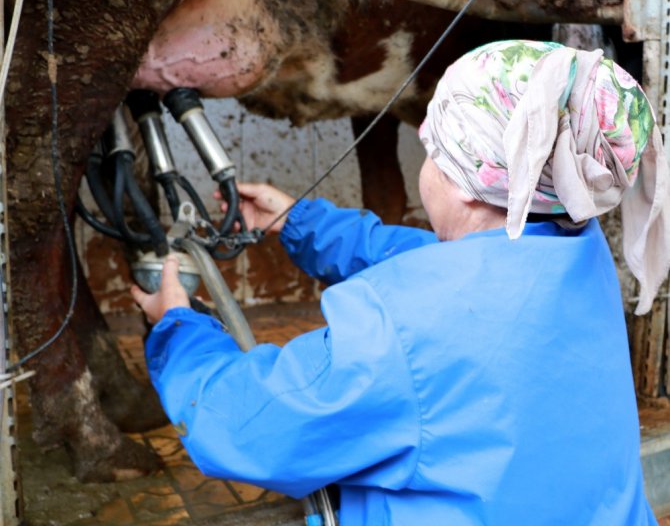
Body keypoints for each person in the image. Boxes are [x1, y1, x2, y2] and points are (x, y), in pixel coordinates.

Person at [131, 39, 670, 525]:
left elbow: (246, 427)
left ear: (465, 184)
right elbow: (440, 262)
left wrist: (178, 328)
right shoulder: (578, 246)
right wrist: (299, 222)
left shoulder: (398, 331)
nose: (425, 156)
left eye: (433, 148)